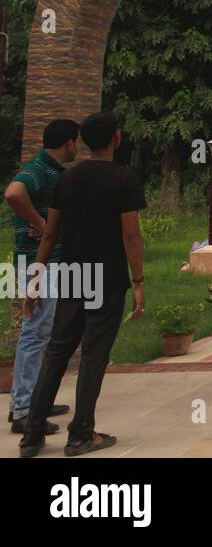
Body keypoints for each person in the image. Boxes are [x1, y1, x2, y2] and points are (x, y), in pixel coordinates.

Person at [20, 111, 146, 458]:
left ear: (85, 141)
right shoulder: (124, 179)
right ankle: (81, 434)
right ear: (116, 138)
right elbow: (131, 235)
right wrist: (138, 281)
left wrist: (35, 278)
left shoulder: (68, 179)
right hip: (106, 277)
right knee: (93, 355)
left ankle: (32, 434)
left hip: (73, 274)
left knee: (57, 351)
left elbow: (50, 232)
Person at [5, 119, 79, 436]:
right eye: (76, 141)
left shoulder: (53, 170)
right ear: (69, 143)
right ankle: (21, 408)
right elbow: (13, 193)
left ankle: (37, 400)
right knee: (35, 333)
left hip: (48, 261)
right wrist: (41, 223)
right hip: (38, 263)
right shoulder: (38, 167)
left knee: (44, 330)